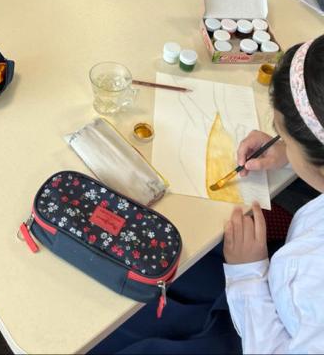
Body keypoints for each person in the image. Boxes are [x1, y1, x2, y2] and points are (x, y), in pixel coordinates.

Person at [92, 35, 324, 353]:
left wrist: (247, 274)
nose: (278, 139)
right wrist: (289, 151)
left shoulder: (315, 283)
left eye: (281, 133)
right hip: (271, 276)